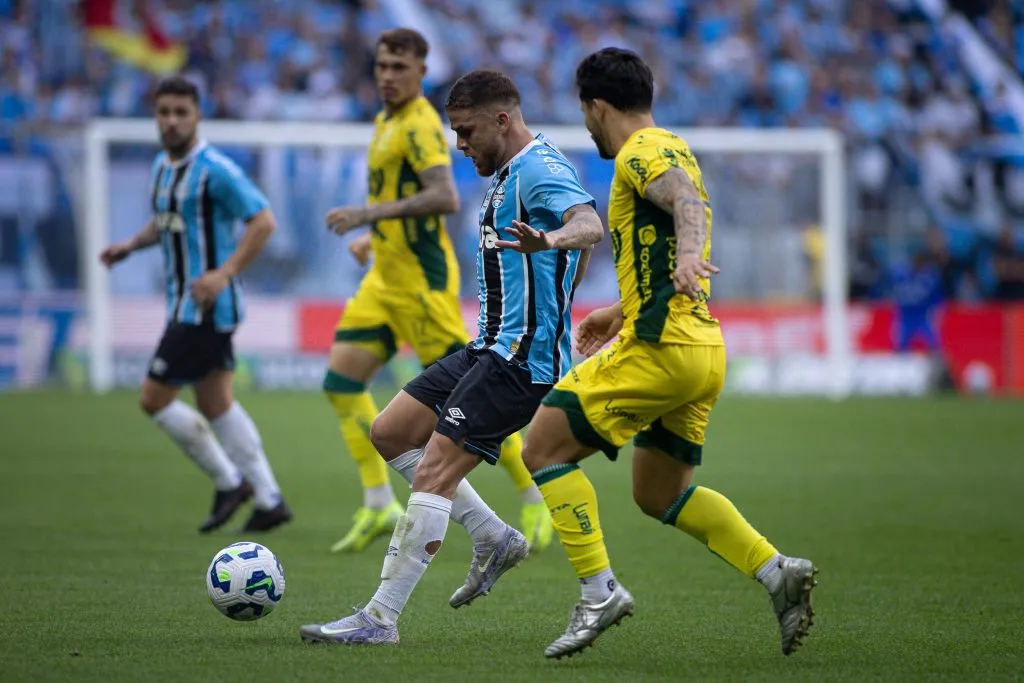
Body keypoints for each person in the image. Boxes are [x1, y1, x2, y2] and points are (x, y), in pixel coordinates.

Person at [519, 48, 818, 659]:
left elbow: (684, 201)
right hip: (703, 349)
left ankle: (598, 593)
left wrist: (687, 256)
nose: (586, 124)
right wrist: (621, 307)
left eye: (584, 112)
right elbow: (671, 218)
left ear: (597, 106)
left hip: (662, 349)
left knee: (541, 447)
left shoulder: (639, 153)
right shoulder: (674, 142)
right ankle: (774, 571)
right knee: (658, 494)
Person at [299, 69, 604, 645]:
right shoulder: (508, 170)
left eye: (466, 133)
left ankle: (379, 619)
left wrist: (556, 245)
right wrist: (559, 278)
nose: (460, 146)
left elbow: (588, 223)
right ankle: (493, 535)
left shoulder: (540, 168)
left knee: (434, 471)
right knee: (390, 432)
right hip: (485, 347)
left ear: (502, 120)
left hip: (519, 362)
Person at [319, 28, 553, 554]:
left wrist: (368, 215)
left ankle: (533, 499)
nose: (387, 76)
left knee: (472, 402)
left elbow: (444, 196)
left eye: (399, 68)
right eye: (381, 66)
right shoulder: (385, 121)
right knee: (341, 382)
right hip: (385, 280)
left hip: (422, 288)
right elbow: (399, 195)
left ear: (422, 72)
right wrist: (375, 240)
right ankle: (379, 502)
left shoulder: (424, 124)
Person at [99, 76, 290, 533]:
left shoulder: (216, 170)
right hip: (187, 304)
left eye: (180, 112)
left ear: (198, 115)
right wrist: (131, 245)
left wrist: (223, 273)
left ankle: (230, 481)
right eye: (163, 112)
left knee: (153, 397)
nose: (171, 121)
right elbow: (167, 223)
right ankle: (268, 497)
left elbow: (263, 223)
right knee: (217, 402)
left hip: (204, 308)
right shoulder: (162, 167)